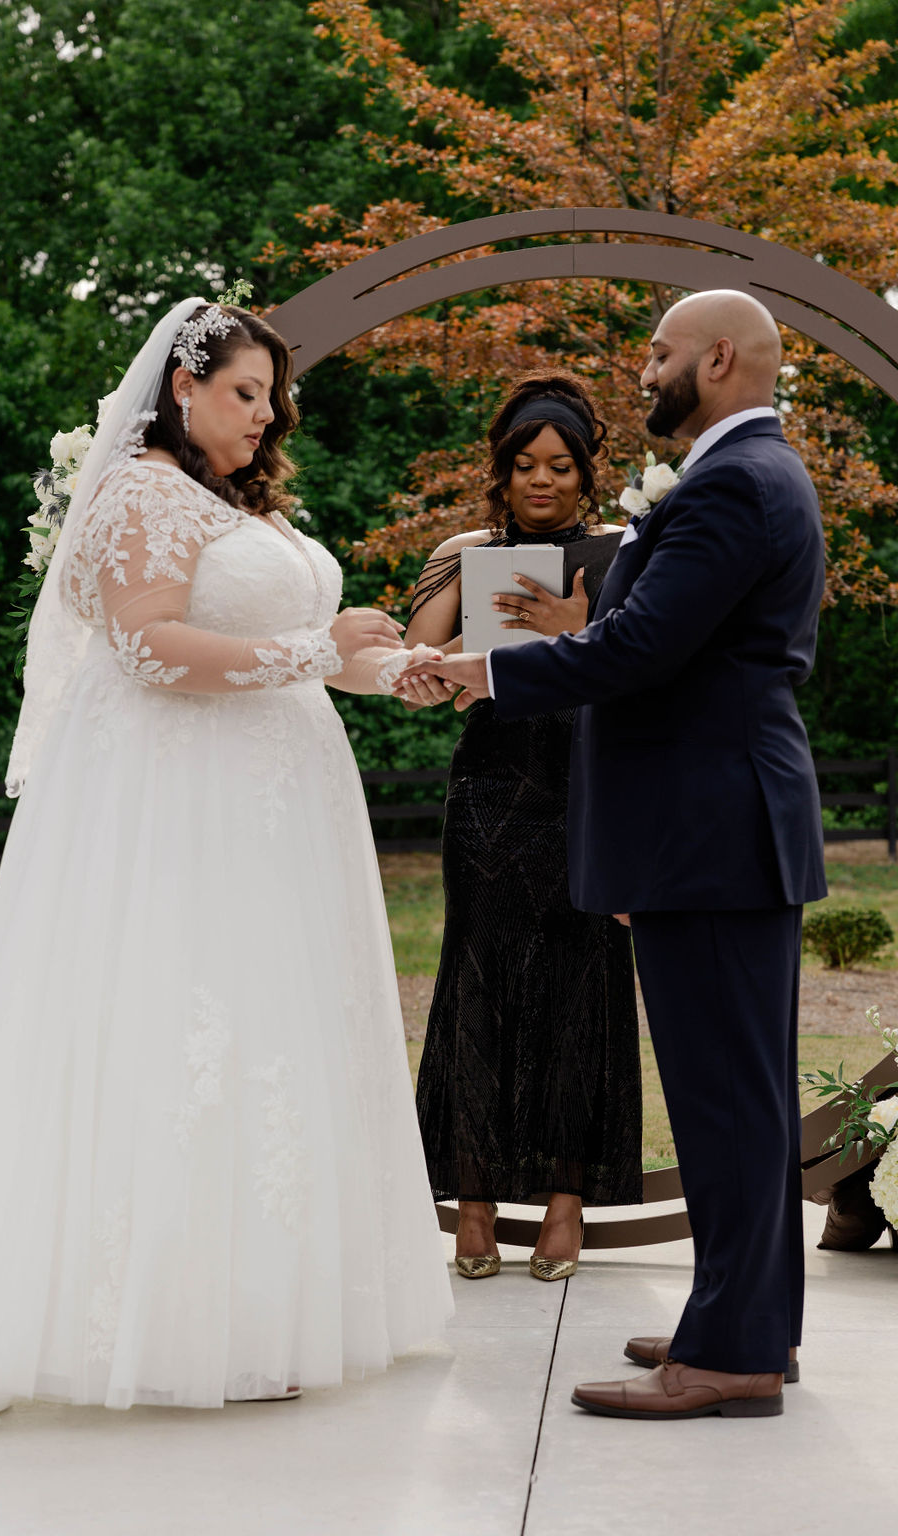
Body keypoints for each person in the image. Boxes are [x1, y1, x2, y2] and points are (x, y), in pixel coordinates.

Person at [0, 297, 453, 1452]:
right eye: (246, 392)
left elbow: (293, 653)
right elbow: (147, 648)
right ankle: (179, 1324)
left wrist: (391, 674)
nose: (266, 415)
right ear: (182, 387)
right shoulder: (140, 492)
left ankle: (257, 1314)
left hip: (273, 812)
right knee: (189, 1026)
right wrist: (316, 650)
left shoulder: (225, 504)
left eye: (271, 397)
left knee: (269, 1038)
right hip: (187, 813)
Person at [398, 290, 826, 1420]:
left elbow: (633, 651)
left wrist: (472, 670)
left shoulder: (735, 482)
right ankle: (741, 1326)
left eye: (659, 352)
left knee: (728, 1103)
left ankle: (733, 1353)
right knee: (739, 1099)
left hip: (713, 836)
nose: (643, 369)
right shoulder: (741, 476)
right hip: (712, 834)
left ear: (718, 358)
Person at [400, 374, 642, 1281]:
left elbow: (647, 684)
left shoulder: (625, 552)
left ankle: (566, 1206)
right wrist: (457, 598)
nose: (543, 480)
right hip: (491, 793)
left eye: (562, 466)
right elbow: (411, 670)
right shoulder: (465, 547)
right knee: (478, 983)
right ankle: (472, 1206)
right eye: (524, 465)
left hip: (589, 788)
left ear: (586, 474)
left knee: (584, 987)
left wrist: (581, 634)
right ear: (499, 472)